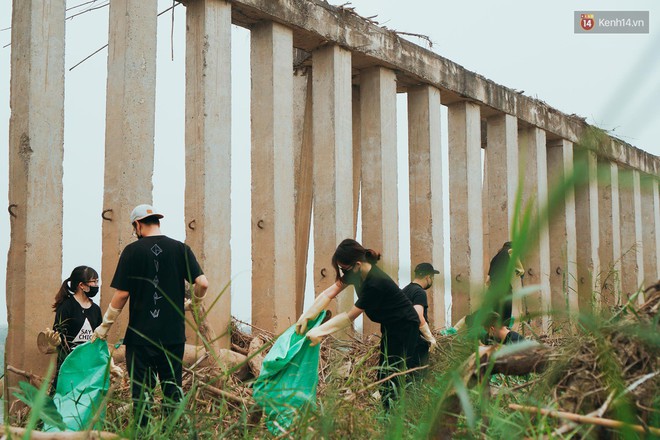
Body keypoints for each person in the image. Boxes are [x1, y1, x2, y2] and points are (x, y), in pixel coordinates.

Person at [92, 204, 209, 427]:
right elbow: (202, 283)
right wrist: (193, 302)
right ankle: (172, 433)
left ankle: (144, 434)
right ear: (157, 221)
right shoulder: (180, 249)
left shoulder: (132, 251)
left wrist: (104, 327)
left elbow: (122, 295)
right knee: (172, 391)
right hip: (173, 337)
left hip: (140, 338)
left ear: (137, 224)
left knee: (141, 396)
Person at [295, 238, 421, 409]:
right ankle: (386, 413)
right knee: (384, 370)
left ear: (358, 264)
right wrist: (306, 316)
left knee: (394, 373)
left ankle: (395, 417)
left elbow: (350, 316)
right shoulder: (356, 273)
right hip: (390, 325)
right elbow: (330, 292)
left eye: (344, 269)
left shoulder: (375, 283)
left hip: (406, 325)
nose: (343, 272)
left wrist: (320, 331)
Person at [40, 266, 103, 388]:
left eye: (97, 281)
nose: (96, 285)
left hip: (90, 368)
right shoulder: (66, 307)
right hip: (69, 367)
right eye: (94, 281)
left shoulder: (96, 310)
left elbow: (99, 339)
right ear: (82, 285)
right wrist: (56, 341)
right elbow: (59, 337)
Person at [401, 263, 439, 367]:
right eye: (432, 278)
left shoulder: (404, 290)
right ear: (428, 277)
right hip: (416, 344)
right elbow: (417, 315)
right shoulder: (419, 292)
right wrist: (430, 337)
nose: (432, 281)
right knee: (418, 378)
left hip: (404, 343)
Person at [485, 241, 525, 326]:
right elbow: (520, 270)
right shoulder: (510, 251)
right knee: (505, 316)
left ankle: (495, 335)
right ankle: (505, 334)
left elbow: (487, 280)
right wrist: (521, 272)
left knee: (496, 315)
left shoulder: (495, 258)